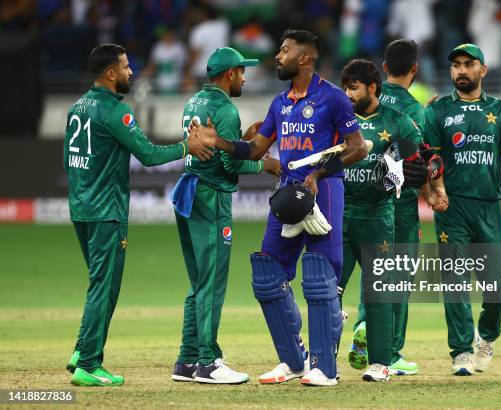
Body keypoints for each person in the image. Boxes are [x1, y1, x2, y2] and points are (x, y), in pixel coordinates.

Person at [191, 29, 369, 386]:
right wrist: (221, 143)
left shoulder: (333, 98)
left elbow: (359, 147)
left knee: (320, 278)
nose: (278, 56)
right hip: (288, 194)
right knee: (267, 276)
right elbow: (256, 150)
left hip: (324, 190)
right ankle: (294, 361)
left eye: (285, 51)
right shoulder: (279, 103)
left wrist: (320, 173)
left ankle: (325, 370)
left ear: (304, 58)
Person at [64, 44, 211, 387]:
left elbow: (72, 162)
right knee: (105, 286)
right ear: (110, 73)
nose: (131, 72)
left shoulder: (76, 107)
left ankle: (81, 349)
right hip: (106, 212)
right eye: (126, 67)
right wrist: (185, 146)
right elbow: (147, 154)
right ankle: (88, 363)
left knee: (99, 284)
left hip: (81, 208)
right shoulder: (116, 112)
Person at [170, 47, 281, 385]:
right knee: (213, 282)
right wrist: (265, 163)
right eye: (241, 71)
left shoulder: (195, 102)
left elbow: (220, 149)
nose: (245, 77)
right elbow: (231, 164)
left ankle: (187, 360)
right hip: (211, 198)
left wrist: (242, 141)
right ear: (229, 73)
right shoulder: (224, 107)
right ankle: (208, 361)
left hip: (188, 192)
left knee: (199, 282)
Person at [346, 39, 447, 377]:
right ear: (415, 70)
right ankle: (389, 350)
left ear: (384, 68)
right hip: (396, 207)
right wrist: (434, 191)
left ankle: (362, 323)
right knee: (395, 278)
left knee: (366, 271)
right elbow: (423, 157)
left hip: (354, 202)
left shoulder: (359, 100)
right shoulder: (413, 109)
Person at [422, 43, 501, 376]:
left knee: (496, 285)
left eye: (469, 64)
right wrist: (436, 191)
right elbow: (431, 158)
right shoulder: (436, 111)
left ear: (483, 70)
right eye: (456, 66)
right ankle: (462, 351)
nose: (461, 70)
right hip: (453, 207)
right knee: (454, 280)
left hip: (489, 206)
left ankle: (487, 336)